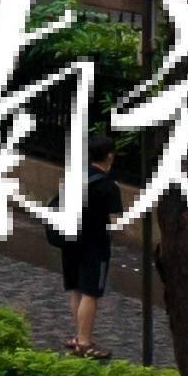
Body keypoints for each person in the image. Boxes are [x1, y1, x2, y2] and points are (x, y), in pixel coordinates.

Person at [54, 149, 121, 354]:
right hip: (95, 246)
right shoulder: (108, 186)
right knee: (90, 293)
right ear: (109, 156)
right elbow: (117, 221)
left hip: (71, 242)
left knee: (76, 289)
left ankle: (78, 335)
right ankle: (84, 342)